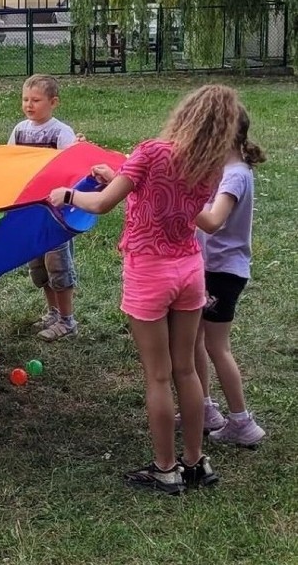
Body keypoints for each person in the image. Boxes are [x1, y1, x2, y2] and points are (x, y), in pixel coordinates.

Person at [48, 84, 242, 494]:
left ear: (184, 113)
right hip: (190, 270)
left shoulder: (152, 151)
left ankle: (164, 468)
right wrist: (119, 177)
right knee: (186, 369)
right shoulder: (211, 168)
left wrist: (67, 194)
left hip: (149, 271)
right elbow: (202, 219)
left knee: (157, 376)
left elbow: (100, 205)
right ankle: (195, 463)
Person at [0, 74, 79, 341]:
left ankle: (67, 320)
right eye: (25, 99)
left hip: (55, 214)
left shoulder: (60, 132)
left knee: (58, 265)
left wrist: (76, 152)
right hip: (31, 212)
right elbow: (12, 161)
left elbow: (71, 166)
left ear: (54, 102)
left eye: (36, 100)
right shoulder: (20, 130)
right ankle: (52, 312)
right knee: (39, 265)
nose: (29, 105)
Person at [184, 104, 266, 447]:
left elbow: (214, 221)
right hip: (211, 268)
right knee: (196, 343)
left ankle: (242, 422)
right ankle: (204, 409)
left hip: (223, 273)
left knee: (217, 347)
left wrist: (186, 201)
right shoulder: (226, 168)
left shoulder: (235, 175)